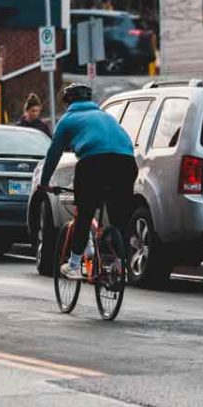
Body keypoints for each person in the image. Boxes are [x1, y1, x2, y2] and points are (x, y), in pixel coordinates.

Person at [39, 83, 138, 280]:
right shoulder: (107, 116)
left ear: (68, 102)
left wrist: (44, 182)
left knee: (85, 212)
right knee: (119, 217)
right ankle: (121, 264)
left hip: (94, 163)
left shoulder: (68, 120)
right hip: (126, 164)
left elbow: (53, 154)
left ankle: (75, 264)